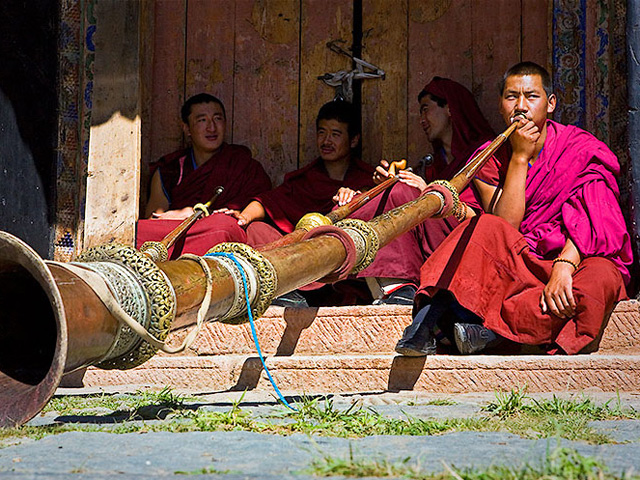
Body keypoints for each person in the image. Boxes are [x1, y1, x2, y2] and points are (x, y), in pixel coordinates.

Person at [395, 62, 633, 356]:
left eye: (531, 97)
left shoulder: (580, 149)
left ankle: (491, 334)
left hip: (574, 257)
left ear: (550, 104)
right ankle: (439, 323)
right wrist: (519, 157)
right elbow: (505, 226)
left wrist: (564, 266)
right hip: (521, 261)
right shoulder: (488, 156)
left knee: (601, 278)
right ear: (500, 105)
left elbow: (594, 219)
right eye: (511, 97)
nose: (521, 106)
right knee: (482, 228)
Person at [337, 77, 501, 305]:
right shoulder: (436, 165)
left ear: (450, 108)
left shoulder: (480, 154)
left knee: (402, 194)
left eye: (426, 110)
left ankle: (398, 289)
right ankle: (388, 289)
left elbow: (494, 221)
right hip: (435, 236)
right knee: (358, 203)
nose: (421, 120)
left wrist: (429, 193)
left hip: (468, 244)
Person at [219, 99, 375, 306]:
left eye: (335, 135)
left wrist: (355, 196)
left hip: (337, 268)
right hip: (297, 262)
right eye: (322, 133)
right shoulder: (304, 179)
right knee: (257, 229)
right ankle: (284, 291)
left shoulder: (366, 179)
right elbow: (268, 202)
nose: (326, 141)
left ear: (353, 140)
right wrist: (244, 216)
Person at [136, 93, 272, 258]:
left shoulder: (244, 164)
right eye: (202, 120)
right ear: (186, 128)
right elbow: (154, 218)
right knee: (138, 231)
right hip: (185, 232)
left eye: (217, 119)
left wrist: (240, 216)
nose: (212, 128)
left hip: (222, 229)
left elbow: (264, 202)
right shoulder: (170, 170)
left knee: (224, 225)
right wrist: (183, 216)